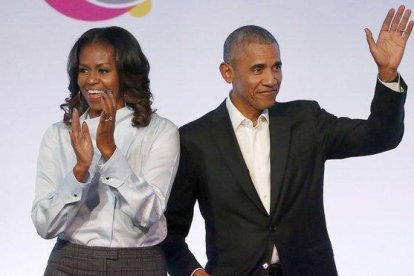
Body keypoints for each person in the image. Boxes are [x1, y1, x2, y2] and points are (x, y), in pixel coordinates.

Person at [162, 5, 412, 276]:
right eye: (258, 69)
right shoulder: (194, 139)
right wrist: (193, 273)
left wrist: (387, 73)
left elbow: (379, 136)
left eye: (277, 67)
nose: (272, 79)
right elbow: (169, 231)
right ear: (227, 72)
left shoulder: (306, 120)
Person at [31, 26, 179, 275]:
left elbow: (151, 213)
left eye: (103, 70)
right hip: (71, 262)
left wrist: (110, 153)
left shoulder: (160, 131)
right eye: (83, 70)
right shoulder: (58, 134)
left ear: (125, 74)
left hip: (139, 263)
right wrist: (79, 171)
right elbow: (45, 225)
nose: (91, 80)